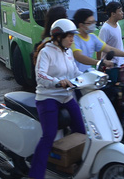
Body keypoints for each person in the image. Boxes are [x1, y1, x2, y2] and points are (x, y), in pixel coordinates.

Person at [29, 18, 85, 179]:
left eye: (73, 37)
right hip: (48, 98)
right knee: (49, 135)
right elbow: (40, 76)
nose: (72, 40)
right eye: (69, 36)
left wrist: (93, 76)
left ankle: (72, 165)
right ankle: (35, 175)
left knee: (81, 130)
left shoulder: (67, 52)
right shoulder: (46, 52)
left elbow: (75, 72)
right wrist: (57, 82)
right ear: (58, 37)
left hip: (66, 97)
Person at [71, 8, 124, 72]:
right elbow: (79, 56)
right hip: (76, 77)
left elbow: (109, 49)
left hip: (88, 74)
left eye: (94, 22)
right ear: (81, 25)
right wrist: (100, 62)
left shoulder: (92, 37)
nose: (93, 25)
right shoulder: (74, 39)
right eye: (89, 23)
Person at [98, 1, 124, 67]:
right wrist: (100, 63)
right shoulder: (105, 29)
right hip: (111, 66)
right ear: (113, 14)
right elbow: (99, 48)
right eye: (120, 11)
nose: (122, 13)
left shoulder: (117, 24)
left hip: (121, 62)